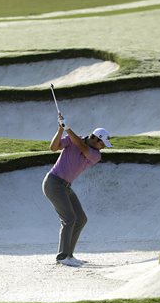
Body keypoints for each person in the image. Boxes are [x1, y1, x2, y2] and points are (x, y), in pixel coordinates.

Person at [42, 113, 112, 267]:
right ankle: (62, 257)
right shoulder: (73, 139)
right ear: (95, 138)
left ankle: (69, 255)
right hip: (53, 183)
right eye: (102, 144)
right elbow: (53, 148)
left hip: (65, 186)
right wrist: (61, 129)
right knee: (69, 219)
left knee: (80, 219)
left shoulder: (95, 155)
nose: (103, 148)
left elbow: (81, 146)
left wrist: (68, 128)